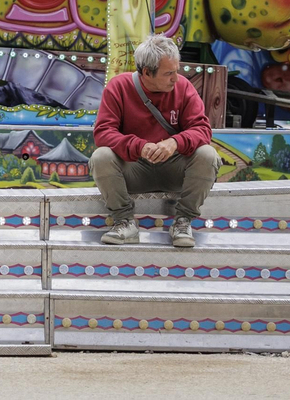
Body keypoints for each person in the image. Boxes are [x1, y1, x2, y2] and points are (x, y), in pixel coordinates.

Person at [90, 35, 219, 248]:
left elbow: (203, 129)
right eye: (169, 73)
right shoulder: (118, 87)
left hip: (176, 170)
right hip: (133, 170)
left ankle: (183, 221)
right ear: (146, 72)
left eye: (177, 71)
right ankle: (124, 221)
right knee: (100, 157)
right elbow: (103, 133)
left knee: (208, 154)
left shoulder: (184, 88)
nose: (175, 78)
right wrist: (139, 147)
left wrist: (174, 143)